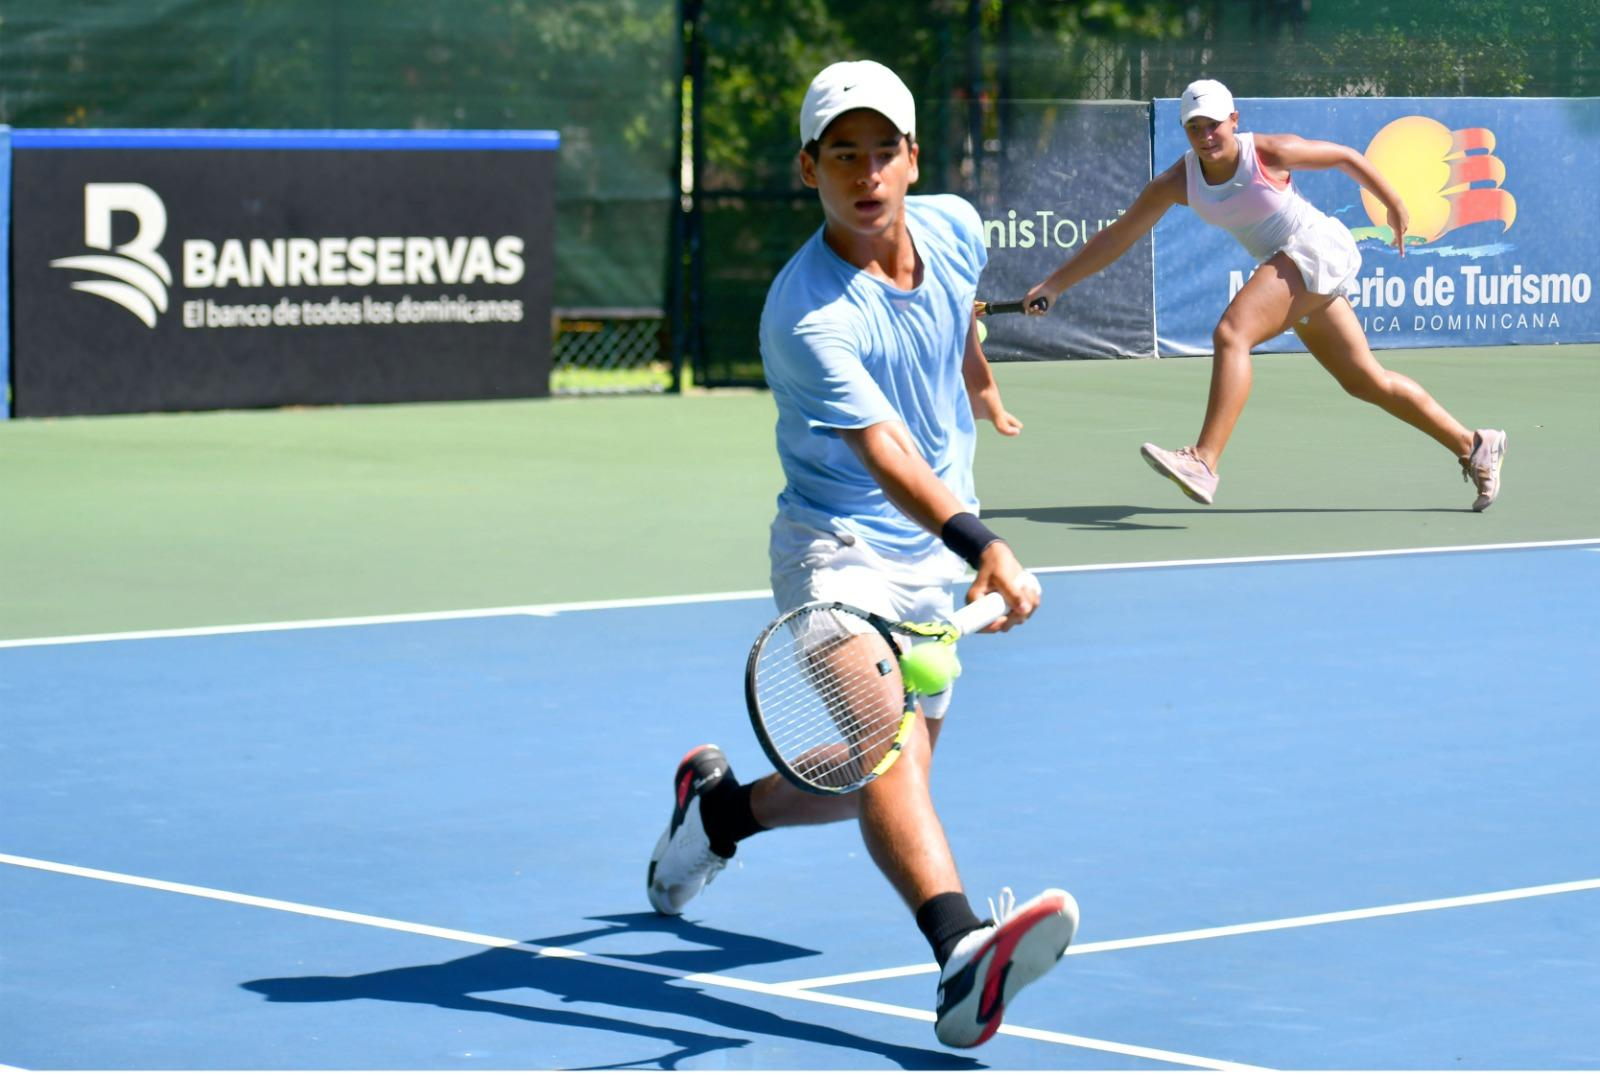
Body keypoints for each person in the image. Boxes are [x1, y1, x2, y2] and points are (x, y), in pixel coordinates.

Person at [645, 59, 1078, 1050]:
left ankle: (716, 817)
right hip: (838, 550)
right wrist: (986, 540)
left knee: (865, 781)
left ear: (912, 159)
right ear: (809, 169)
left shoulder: (956, 226)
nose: (866, 172)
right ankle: (961, 956)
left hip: (931, 557)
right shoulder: (808, 314)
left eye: (884, 151)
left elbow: (960, 310)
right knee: (885, 747)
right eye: (843, 154)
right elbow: (883, 455)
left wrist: (980, 389)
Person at [1024, 78, 1507, 511]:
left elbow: (1346, 157)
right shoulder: (1177, 181)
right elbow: (1117, 236)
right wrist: (1054, 284)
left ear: (1234, 120)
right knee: (1366, 382)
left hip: (1316, 247)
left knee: (1232, 333)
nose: (1206, 135)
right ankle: (1474, 444)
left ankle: (1204, 460)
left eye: (1214, 124)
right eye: (1194, 128)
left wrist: (1396, 204)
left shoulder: (1268, 152)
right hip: (1293, 265)